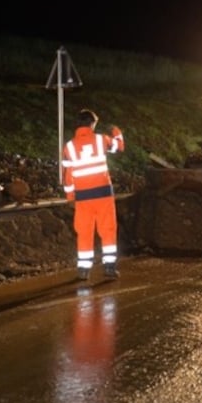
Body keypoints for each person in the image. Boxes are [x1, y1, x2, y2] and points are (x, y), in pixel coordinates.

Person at [62, 109, 125, 280]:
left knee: (84, 231)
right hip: (103, 194)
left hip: (82, 197)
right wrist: (117, 132)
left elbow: (67, 175)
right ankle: (109, 269)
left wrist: (70, 198)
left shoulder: (68, 147)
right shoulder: (101, 139)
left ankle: (83, 270)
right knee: (108, 229)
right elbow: (119, 147)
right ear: (92, 124)